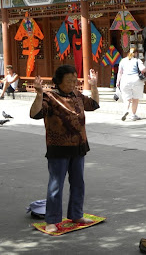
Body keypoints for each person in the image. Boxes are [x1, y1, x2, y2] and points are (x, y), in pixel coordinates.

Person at [29, 65, 100, 233]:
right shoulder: (50, 97)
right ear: (58, 81)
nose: (73, 84)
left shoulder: (77, 95)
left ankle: (76, 214)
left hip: (79, 146)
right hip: (58, 147)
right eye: (69, 80)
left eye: (75, 80)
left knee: (78, 183)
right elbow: (34, 114)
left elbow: (94, 104)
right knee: (56, 185)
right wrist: (39, 94)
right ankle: (52, 220)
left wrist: (95, 86)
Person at [117, 46, 146, 121]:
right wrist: (142, 72)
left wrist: (118, 82)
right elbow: (143, 69)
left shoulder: (123, 61)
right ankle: (133, 115)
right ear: (136, 53)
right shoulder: (137, 60)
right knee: (135, 98)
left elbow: (120, 72)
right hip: (135, 80)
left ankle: (126, 110)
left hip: (125, 80)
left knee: (127, 98)